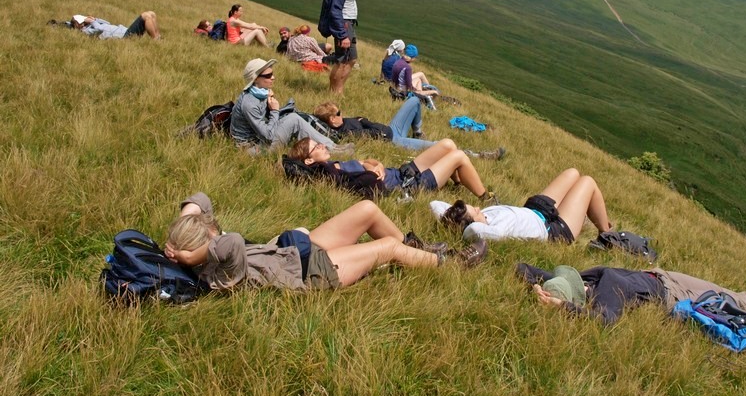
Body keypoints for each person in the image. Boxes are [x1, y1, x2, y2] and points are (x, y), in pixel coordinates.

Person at [163, 192, 488, 292]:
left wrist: (185, 228)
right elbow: (230, 241)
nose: (217, 231)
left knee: (367, 210)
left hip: (291, 253)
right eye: (210, 232)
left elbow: (200, 198)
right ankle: (453, 264)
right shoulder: (216, 271)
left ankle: (418, 248)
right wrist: (191, 258)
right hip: (311, 274)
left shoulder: (210, 254)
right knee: (387, 249)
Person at [519, 262, 746, 326]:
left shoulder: (584, 280)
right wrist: (562, 307)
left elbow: (523, 268)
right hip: (674, 294)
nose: (577, 279)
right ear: (580, 297)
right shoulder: (608, 291)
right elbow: (605, 320)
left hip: (663, 276)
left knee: (726, 294)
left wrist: (538, 286)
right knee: (731, 301)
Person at [433, 168, 610, 243]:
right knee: (588, 182)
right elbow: (473, 232)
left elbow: (435, 204)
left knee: (573, 173)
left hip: (535, 209)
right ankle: (606, 236)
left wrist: (448, 216)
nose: (479, 208)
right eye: (476, 212)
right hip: (552, 230)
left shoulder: (481, 220)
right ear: (475, 225)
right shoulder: (494, 230)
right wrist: (464, 231)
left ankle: (598, 224)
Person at [289, 137, 496, 200]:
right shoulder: (330, 175)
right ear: (309, 161)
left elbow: (365, 161)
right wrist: (373, 173)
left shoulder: (337, 164)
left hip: (401, 173)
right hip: (407, 187)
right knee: (458, 156)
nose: (323, 145)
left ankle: (457, 181)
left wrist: (376, 165)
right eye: (317, 147)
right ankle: (485, 198)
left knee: (448, 145)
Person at [229, 57, 349, 153]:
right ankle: (333, 149)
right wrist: (274, 110)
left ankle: (332, 146)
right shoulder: (249, 103)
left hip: (259, 139)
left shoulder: (259, 94)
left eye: (272, 73)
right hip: (252, 149)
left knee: (293, 117)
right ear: (255, 79)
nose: (273, 77)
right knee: (294, 119)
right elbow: (268, 136)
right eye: (268, 76)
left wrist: (269, 101)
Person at [313, 97, 435, 151]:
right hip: (393, 140)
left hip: (391, 129)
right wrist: (365, 122)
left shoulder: (342, 123)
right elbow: (378, 133)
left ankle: (417, 133)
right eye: (339, 113)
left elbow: (360, 119)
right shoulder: (348, 133)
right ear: (332, 120)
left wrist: (363, 121)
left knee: (414, 101)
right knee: (436, 146)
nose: (342, 113)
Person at [318, 0, 364, 94]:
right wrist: (342, 35)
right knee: (343, 60)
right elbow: (335, 9)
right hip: (344, 25)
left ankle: (337, 91)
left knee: (350, 59)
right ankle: (336, 93)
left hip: (345, 24)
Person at [70, 11, 161, 40]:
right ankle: (156, 40)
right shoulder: (85, 31)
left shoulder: (92, 24)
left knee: (151, 14)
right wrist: (92, 22)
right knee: (145, 16)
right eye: (82, 21)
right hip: (125, 36)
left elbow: (107, 23)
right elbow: (100, 29)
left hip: (126, 32)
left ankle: (158, 37)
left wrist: (95, 19)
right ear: (78, 24)